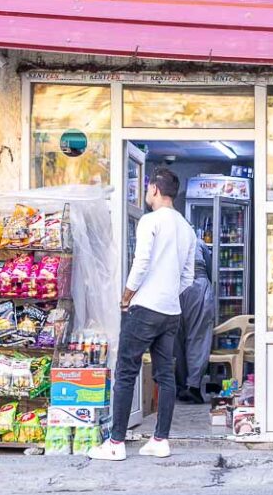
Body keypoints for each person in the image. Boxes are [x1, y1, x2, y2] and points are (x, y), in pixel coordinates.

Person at [89, 167, 196, 461]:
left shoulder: (150, 221)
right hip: (171, 311)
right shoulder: (187, 229)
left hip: (145, 307)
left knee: (125, 372)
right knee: (166, 375)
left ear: (155, 191)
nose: (147, 192)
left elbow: (141, 262)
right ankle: (160, 440)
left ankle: (115, 443)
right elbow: (188, 276)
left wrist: (127, 295)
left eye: (148, 188)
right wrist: (169, 294)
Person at [175, 238, 215, 404]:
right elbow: (210, 269)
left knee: (176, 339)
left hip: (175, 287)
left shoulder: (168, 241)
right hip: (199, 286)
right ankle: (194, 386)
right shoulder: (197, 241)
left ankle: (181, 386)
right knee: (198, 337)